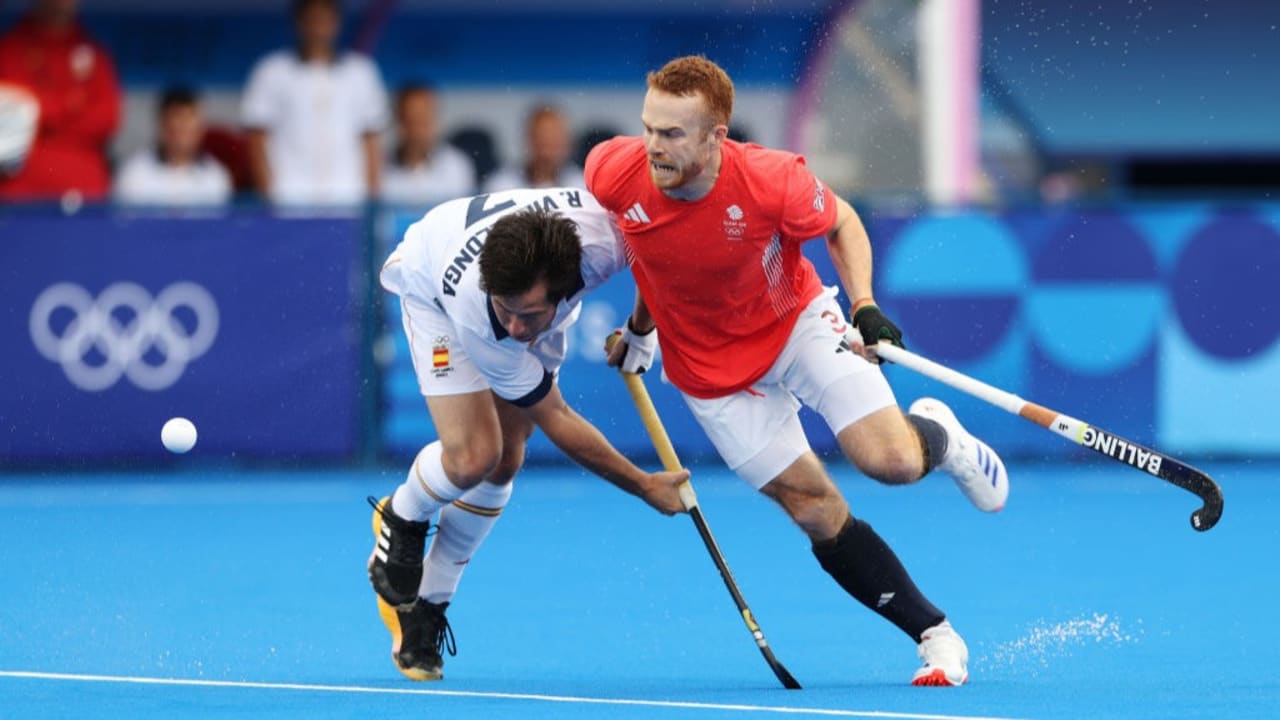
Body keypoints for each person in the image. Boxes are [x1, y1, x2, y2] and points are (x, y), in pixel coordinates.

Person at [585, 55, 1009, 687]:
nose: (653, 146)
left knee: (890, 462)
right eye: (648, 127)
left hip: (795, 326)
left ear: (716, 137)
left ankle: (939, 438)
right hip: (709, 373)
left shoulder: (770, 180)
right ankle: (936, 635)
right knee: (813, 509)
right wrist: (643, 331)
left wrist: (863, 304)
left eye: (672, 133)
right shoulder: (613, 173)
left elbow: (842, 222)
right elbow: (656, 255)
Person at [369, 189, 689, 681]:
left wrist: (641, 331)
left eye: (531, 314)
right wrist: (643, 485)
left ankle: (429, 604)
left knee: (506, 460)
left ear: (565, 287)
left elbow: (655, 254)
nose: (518, 327)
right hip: (433, 287)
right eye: (509, 310)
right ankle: (405, 514)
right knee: (475, 455)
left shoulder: (604, 241)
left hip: (515, 271)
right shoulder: (482, 310)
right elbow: (556, 416)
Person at [240, 0, 387, 207]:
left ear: (336, 23)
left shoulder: (361, 73)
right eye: (312, 20)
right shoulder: (272, 71)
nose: (318, 28)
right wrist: (269, 194)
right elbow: (256, 138)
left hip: (348, 197)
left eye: (324, 20)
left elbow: (371, 140)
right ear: (299, 23)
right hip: (289, 199)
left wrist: (371, 200)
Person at [0, 0, 121, 202]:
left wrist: (40, 109)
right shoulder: (8, 50)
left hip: (83, 189)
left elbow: (107, 118)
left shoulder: (96, 55)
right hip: (20, 191)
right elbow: (11, 116)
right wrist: (70, 105)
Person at [114, 86, 232, 207]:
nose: (182, 135)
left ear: (200, 129)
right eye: (177, 127)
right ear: (162, 126)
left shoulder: (215, 177)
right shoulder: (134, 174)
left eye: (188, 127)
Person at [380, 83, 476, 205]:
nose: (418, 131)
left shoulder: (456, 167)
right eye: (411, 122)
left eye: (424, 121)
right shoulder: (380, 170)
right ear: (398, 122)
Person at [482, 104, 584, 192]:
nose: (547, 152)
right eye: (541, 140)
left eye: (554, 140)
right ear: (528, 140)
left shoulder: (581, 186)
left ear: (568, 142)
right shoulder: (502, 185)